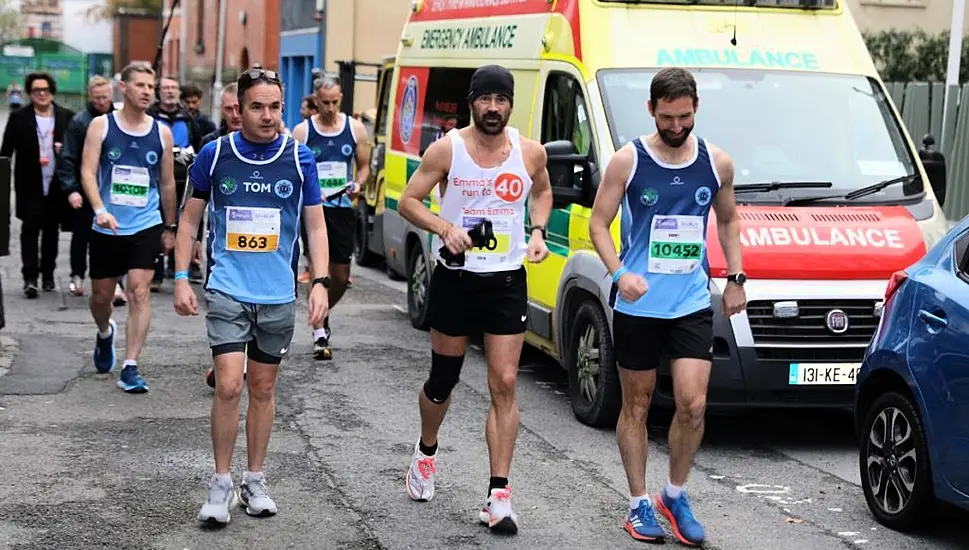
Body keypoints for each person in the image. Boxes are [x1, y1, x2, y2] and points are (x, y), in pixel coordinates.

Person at [587, 67, 746, 546]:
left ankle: (673, 495)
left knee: (693, 405)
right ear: (651, 109)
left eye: (685, 116)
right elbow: (599, 224)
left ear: (695, 108)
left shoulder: (717, 162)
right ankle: (638, 505)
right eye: (667, 117)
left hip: (691, 300)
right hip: (639, 304)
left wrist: (736, 278)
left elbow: (728, 220)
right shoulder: (626, 161)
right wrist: (619, 274)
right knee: (635, 405)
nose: (676, 126)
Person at [398, 65, 552, 535]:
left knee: (504, 381)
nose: (492, 108)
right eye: (484, 99)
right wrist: (445, 228)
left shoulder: (529, 152)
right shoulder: (448, 148)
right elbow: (409, 200)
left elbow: (543, 192)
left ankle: (499, 495)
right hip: (456, 278)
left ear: (510, 104)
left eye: (500, 100)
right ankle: (426, 450)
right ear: (472, 102)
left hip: (506, 280)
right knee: (443, 380)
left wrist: (539, 230)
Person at [173, 67, 330, 525]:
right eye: (256, 107)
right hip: (227, 287)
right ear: (238, 110)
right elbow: (188, 220)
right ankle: (220, 483)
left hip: (278, 292)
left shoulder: (299, 159)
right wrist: (182, 277)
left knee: (263, 388)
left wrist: (319, 282)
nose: (267, 116)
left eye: (275, 107)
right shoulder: (214, 154)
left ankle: (254, 478)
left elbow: (315, 225)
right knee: (228, 385)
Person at [79, 62, 177, 392]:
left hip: (146, 224)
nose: (148, 91)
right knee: (100, 297)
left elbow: (166, 183)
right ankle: (105, 333)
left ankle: (131, 365)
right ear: (124, 87)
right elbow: (88, 173)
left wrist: (169, 226)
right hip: (108, 225)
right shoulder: (101, 126)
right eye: (141, 85)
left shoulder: (161, 132)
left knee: (139, 290)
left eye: (151, 86)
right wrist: (100, 209)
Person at [290, 76, 370, 361]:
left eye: (335, 101)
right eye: (325, 102)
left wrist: (359, 184)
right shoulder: (303, 132)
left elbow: (363, 167)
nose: (330, 108)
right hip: (314, 210)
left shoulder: (355, 129)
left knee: (341, 275)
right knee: (317, 269)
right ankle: (320, 332)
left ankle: (321, 310)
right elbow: (292, 171)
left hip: (341, 208)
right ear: (315, 99)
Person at [0, 72, 75, 297]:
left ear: (52, 92)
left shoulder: (66, 116)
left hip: (56, 184)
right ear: (30, 94)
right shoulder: (19, 117)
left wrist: (65, 152)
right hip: (29, 184)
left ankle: (49, 275)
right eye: (36, 91)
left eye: (45, 90)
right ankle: (30, 277)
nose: (41, 94)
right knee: (29, 230)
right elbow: (5, 153)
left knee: (51, 232)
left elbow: (77, 151)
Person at [59, 75, 126, 305]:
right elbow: (68, 157)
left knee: (115, 237)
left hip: (115, 190)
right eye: (97, 98)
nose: (101, 101)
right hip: (87, 190)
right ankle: (77, 275)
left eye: (105, 97)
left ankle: (116, 282)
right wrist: (71, 189)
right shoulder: (80, 122)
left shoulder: (120, 119)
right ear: (90, 96)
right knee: (82, 237)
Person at [199, 82, 244, 389]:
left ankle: (238, 364)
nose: (235, 115)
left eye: (239, 108)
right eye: (228, 109)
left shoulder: (278, 146)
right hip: (221, 246)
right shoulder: (210, 146)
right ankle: (227, 363)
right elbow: (195, 200)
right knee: (223, 307)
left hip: (266, 250)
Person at [148, 75, 203, 289]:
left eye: (174, 88)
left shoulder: (188, 118)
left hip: (184, 179)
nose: (170, 92)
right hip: (157, 179)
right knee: (157, 223)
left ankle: (178, 265)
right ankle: (156, 270)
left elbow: (198, 146)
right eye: (166, 88)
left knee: (184, 223)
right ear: (158, 92)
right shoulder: (150, 116)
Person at [297, 94, 319, 284]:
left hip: (336, 200)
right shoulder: (302, 130)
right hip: (307, 196)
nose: (301, 111)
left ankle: (318, 275)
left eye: (304, 108)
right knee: (306, 233)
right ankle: (309, 269)